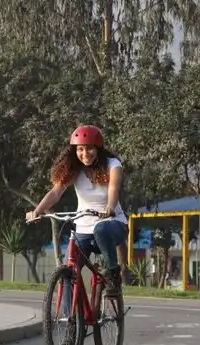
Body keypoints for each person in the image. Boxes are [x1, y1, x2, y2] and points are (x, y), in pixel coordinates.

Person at [26, 124, 128, 297]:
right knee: (67, 274)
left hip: (112, 223)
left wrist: (110, 207)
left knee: (101, 228)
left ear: (98, 148)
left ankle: (113, 274)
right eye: (80, 149)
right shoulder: (75, 170)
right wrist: (37, 211)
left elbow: (113, 189)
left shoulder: (113, 164)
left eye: (89, 149)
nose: (85, 154)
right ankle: (69, 321)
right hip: (83, 228)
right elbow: (56, 192)